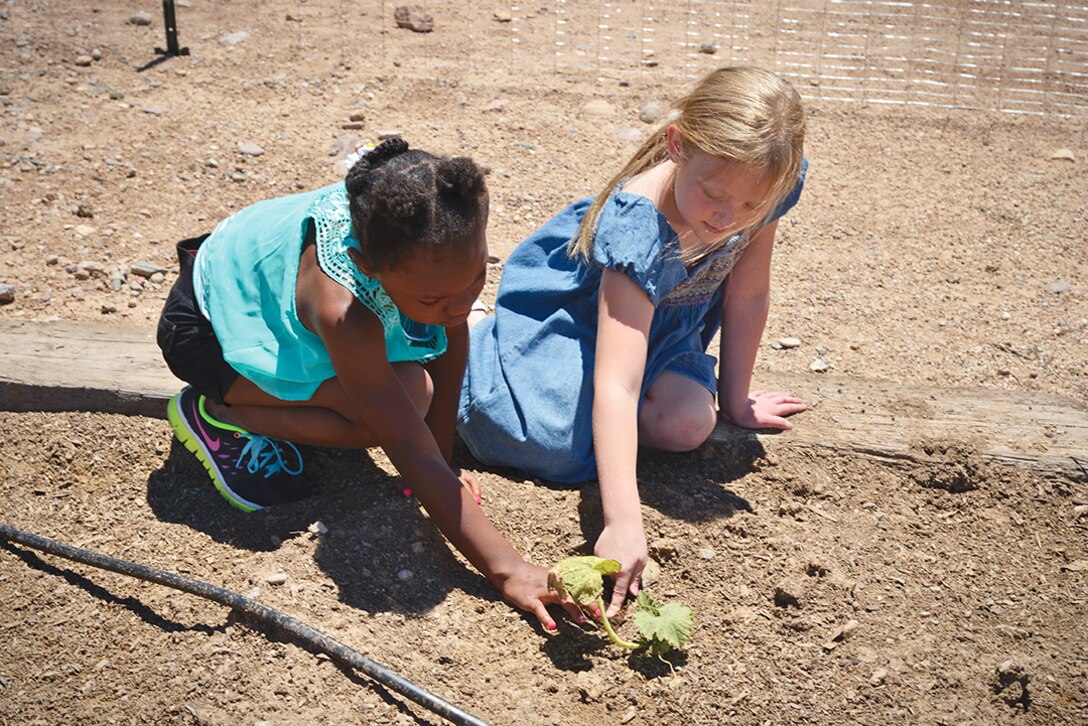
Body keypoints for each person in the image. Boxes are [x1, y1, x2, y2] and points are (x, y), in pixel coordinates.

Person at [157, 139, 580, 629]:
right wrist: (508, 570)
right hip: (206, 331)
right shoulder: (343, 309)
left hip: (267, 294)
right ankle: (220, 413)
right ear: (363, 266)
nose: (462, 306)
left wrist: (445, 463)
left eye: (476, 279)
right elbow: (407, 448)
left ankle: (278, 396)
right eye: (436, 298)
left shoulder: (418, 236)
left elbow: (449, 342)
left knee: (413, 392)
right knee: (384, 417)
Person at [457, 67, 809, 617]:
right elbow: (617, 384)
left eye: (747, 207)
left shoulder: (767, 180)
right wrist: (623, 520)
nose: (727, 218)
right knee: (542, 442)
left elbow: (747, 293)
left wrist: (737, 399)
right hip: (574, 317)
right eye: (713, 194)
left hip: (665, 324)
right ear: (677, 145)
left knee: (690, 422)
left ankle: (598, 423)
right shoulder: (640, 225)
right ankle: (475, 334)